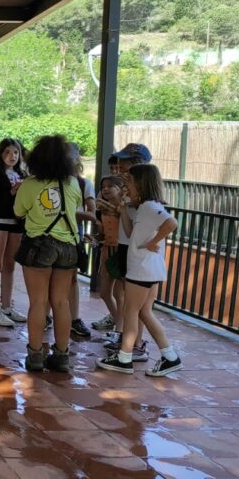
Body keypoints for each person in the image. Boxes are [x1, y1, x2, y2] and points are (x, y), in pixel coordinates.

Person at [97, 164, 182, 377]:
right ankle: (169, 356)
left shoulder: (150, 207)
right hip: (147, 268)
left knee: (131, 311)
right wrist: (123, 209)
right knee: (143, 312)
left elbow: (172, 223)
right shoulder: (143, 207)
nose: (126, 185)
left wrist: (153, 241)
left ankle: (124, 357)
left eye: (130, 181)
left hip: (143, 268)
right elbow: (130, 232)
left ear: (142, 183)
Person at [13, 135, 82, 372]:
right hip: (68, 247)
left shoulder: (30, 184)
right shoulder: (72, 183)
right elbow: (76, 207)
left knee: (38, 302)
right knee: (61, 302)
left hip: (39, 245)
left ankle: (35, 355)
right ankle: (62, 355)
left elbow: (19, 212)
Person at [102, 143, 154, 362]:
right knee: (128, 298)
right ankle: (128, 340)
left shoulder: (145, 193)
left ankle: (137, 344)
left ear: (136, 163)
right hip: (125, 246)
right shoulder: (128, 188)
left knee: (138, 305)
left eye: (124, 161)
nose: (119, 166)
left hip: (137, 251)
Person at [0, 138, 28, 327]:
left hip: (16, 223)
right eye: (8, 152)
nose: (12, 156)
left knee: (10, 265)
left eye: (15, 152)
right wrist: (11, 193)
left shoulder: (23, 175)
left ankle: (7, 306)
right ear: (1, 154)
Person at [68, 142, 97, 338]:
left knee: (71, 278)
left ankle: (74, 318)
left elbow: (91, 212)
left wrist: (67, 214)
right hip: (57, 233)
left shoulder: (83, 184)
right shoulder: (49, 182)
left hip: (73, 234)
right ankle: (45, 316)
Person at [92, 175, 125, 334]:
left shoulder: (126, 208)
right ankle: (118, 321)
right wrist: (94, 238)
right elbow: (101, 234)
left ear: (119, 188)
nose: (105, 189)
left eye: (109, 186)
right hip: (107, 251)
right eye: (103, 186)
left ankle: (120, 329)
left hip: (122, 252)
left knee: (120, 294)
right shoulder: (101, 210)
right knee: (105, 292)